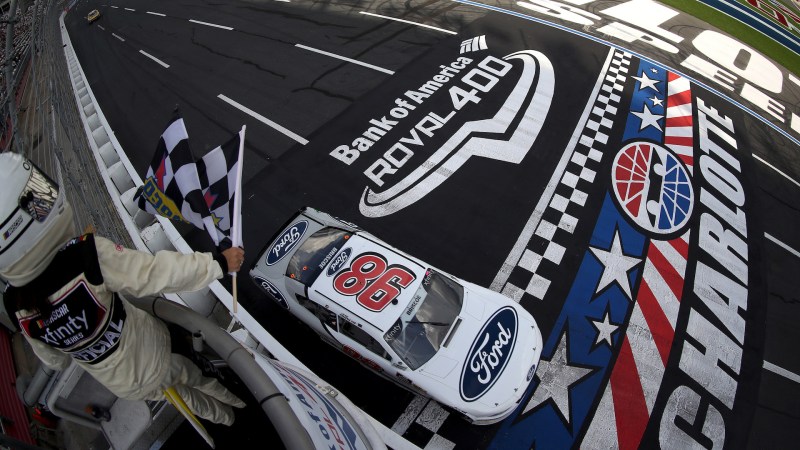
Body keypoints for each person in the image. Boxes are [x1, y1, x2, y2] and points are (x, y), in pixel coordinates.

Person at [0, 152, 246, 425]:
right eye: (37, 197)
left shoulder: (14, 304)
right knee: (202, 380)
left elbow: (55, 361)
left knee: (188, 401)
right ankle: (242, 406)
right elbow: (155, 274)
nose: (43, 200)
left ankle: (228, 421)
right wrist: (218, 264)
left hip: (125, 385)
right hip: (158, 351)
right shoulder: (85, 256)